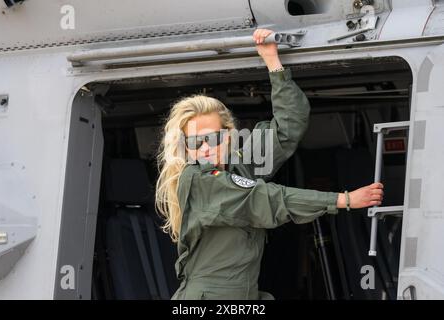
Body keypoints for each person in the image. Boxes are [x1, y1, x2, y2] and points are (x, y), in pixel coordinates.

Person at [155, 29, 384, 300]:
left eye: (212, 138)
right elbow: (265, 198)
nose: (204, 148)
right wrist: (343, 200)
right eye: (194, 142)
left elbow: (289, 127)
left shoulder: (240, 165)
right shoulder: (198, 181)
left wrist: (272, 61)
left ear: (228, 136)